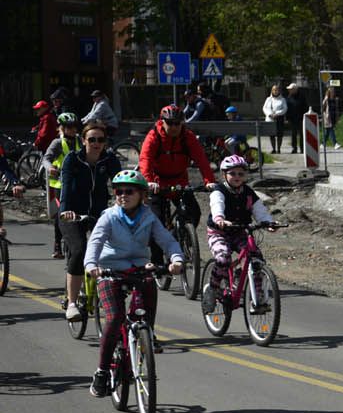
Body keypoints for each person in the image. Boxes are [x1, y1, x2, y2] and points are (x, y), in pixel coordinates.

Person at [84, 169, 184, 388]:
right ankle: (101, 371)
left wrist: (176, 260)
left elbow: (168, 241)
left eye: (129, 191)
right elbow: (95, 243)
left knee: (149, 284)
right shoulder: (108, 217)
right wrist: (92, 266)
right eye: (118, 191)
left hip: (138, 268)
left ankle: (148, 330)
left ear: (141, 194)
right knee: (114, 318)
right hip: (109, 270)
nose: (123, 195)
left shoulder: (149, 217)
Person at [57, 121, 122, 320]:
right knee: (79, 250)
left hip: (99, 213)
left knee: (111, 250)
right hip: (72, 214)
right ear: (83, 141)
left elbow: (120, 184)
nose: (96, 143)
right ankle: (72, 303)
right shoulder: (72, 159)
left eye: (100, 140)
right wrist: (66, 210)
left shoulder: (109, 159)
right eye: (92, 139)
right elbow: (66, 186)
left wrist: (125, 207)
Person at [202, 153, 278, 315]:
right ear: (224, 174)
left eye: (241, 173)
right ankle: (212, 289)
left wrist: (268, 222)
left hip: (239, 232)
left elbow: (259, 211)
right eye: (233, 173)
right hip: (219, 232)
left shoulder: (249, 193)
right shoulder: (219, 191)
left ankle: (258, 299)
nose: (237, 177)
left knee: (257, 258)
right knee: (223, 258)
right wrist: (219, 219)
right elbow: (217, 205)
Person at [44, 111, 82, 259]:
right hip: (60, 184)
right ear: (62, 128)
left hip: (78, 182)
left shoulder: (80, 140)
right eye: (69, 127)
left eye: (74, 126)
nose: (73, 129)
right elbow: (46, 159)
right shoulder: (57, 143)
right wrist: (50, 168)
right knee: (62, 213)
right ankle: (57, 244)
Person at [262, 84, 288, 153]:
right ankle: (273, 149)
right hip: (270, 119)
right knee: (272, 135)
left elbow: (285, 109)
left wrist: (277, 114)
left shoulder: (282, 99)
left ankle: (279, 149)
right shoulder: (268, 99)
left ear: (279, 91)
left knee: (279, 135)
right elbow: (264, 108)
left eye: (277, 90)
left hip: (279, 119)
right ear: (272, 91)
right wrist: (270, 114)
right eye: (274, 90)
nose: (275, 91)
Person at [285, 82, 309, 154]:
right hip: (292, 119)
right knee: (293, 134)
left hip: (301, 119)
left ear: (295, 89)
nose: (289, 90)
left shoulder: (302, 97)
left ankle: (302, 148)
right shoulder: (288, 98)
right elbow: (287, 109)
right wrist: (288, 118)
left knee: (302, 134)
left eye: (290, 89)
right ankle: (294, 148)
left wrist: (305, 117)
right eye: (289, 89)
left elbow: (306, 107)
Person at [321, 85, 340, 149]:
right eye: (331, 90)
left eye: (333, 90)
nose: (332, 91)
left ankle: (322, 143)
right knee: (331, 129)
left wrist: (337, 118)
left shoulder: (335, 99)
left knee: (328, 132)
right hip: (327, 117)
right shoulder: (326, 99)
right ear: (328, 91)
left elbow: (337, 109)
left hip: (333, 117)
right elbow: (322, 108)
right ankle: (335, 144)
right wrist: (325, 115)